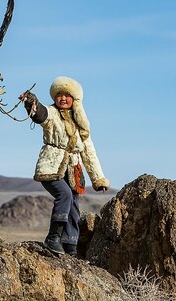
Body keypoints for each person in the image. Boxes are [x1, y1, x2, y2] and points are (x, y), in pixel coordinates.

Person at [19, 76, 109, 257]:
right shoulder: (52, 113)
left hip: (73, 169)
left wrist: (98, 179)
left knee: (74, 202)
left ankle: (70, 245)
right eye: (59, 95)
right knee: (65, 194)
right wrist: (31, 101)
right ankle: (53, 237)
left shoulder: (80, 123)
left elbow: (89, 153)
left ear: (74, 98)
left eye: (67, 95)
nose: (63, 98)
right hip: (50, 166)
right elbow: (41, 115)